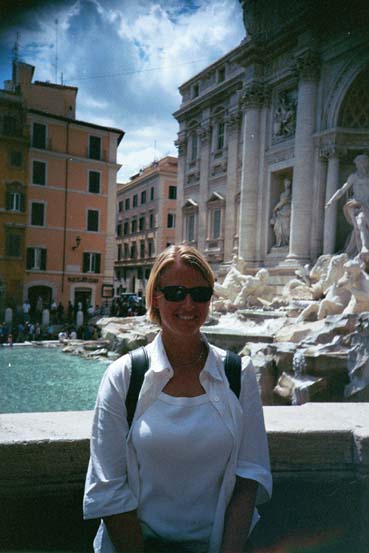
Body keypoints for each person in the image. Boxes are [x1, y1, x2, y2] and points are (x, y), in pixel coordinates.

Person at [83, 245, 272, 553]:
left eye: (200, 293)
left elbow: (248, 476)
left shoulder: (239, 374)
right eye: (175, 292)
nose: (188, 303)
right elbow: (108, 487)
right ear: (155, 297)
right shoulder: (123, 376)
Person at [326, 154, 369, 256]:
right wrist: (331, 201)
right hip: (354, 206)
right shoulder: (353, 177)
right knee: (360, 223)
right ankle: (363, 248)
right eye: (361, 163)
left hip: (366, 204)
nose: (363, 165)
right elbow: (342, 190)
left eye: (364, 162)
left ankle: (352, 252)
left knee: (357, 230)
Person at [270, 177, 292, 247]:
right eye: (285, 182)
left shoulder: (292, 193)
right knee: (277, 229)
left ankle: (286, 243)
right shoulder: (282, 194)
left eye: (288, 182)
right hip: (281, 212)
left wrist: (276, 208)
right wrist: (276, 209)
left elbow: (283, 202)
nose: (286, 184)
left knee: (286, 229)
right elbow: (282, 202)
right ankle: (279, 243)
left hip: (287, 212)